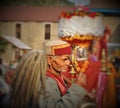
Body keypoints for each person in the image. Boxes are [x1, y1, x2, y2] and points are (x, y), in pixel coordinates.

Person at [6, 38, 95, 108]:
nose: (69, 63)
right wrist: (77, 90)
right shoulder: (44, 82)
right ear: (49, 60)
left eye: (69, 59)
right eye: (65, 59)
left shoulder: (57, 78)